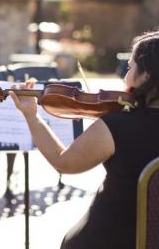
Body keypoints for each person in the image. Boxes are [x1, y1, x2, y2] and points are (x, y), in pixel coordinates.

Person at [9, 30, 159, 249]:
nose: (125, 76)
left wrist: (32, 116)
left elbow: (64, 162)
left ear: (146, 75)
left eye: (130, 67)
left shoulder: (118, 125)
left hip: (110, 240)